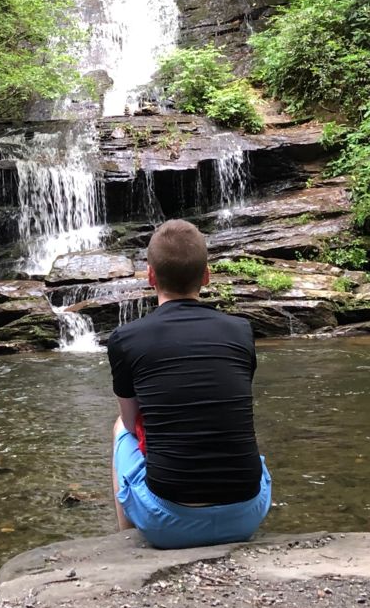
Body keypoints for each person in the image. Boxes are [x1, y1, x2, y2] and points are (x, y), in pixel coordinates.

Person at [105, 219, 271, 548]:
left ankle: (127, 543)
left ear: (150, 277)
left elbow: (130, 421)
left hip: (166, 525)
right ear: (206, 275)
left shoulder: (126, 339)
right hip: (247, 515)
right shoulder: (240, 331)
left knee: (118, 429)